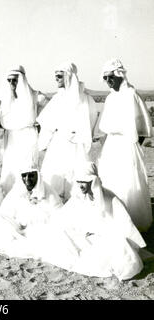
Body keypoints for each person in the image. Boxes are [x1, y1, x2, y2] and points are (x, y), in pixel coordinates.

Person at [54, 161, 146, 280]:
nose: (81, 185)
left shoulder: (110, 198)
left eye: (85, 181)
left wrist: (98, 233)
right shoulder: (78, 197)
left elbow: (122, 226)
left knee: (122, 254)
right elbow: (65, 217)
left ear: (93, 181)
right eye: (79, 181)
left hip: (104, 237)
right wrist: (81, 231)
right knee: (60, 236)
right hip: (83, 235)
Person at [97, 59, 152, 232]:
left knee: (128, 181)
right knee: (110, 179)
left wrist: (133, 147)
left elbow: (143, 127)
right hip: (112, 145)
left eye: (110, 77)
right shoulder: (110, 98)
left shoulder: (131, 95)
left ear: (119, 75)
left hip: (127, 145)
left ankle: (132, 220)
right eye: (105, 78)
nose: (108, 81)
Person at [37, 62, 97, 202]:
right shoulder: (58, 98)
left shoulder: (85, 99)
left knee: (75, 179)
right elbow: (47, 123)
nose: (56, 79)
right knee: (55, 178)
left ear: (68, 76)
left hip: (76, 145)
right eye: (55, 76)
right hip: (58, 144)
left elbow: (90, 121)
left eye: (59, 76)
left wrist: (76, 135)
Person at [0, 65, 49, 195]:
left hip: (28, 137)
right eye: (9, 80)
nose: (12, 83)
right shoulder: (4, 99)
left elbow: (49, 112)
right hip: (12, 139)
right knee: (11, 168)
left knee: (28, 168)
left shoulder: (36, 96)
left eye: (15, 80)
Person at [0, 161, 63, 235]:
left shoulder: (49, 192)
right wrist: (16, 227)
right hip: (19, 230)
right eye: (24, 175)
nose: (27, 180)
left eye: (31, 176)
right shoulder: (17, 190)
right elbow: (5, 213)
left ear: (37, 175)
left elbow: (59, 216)